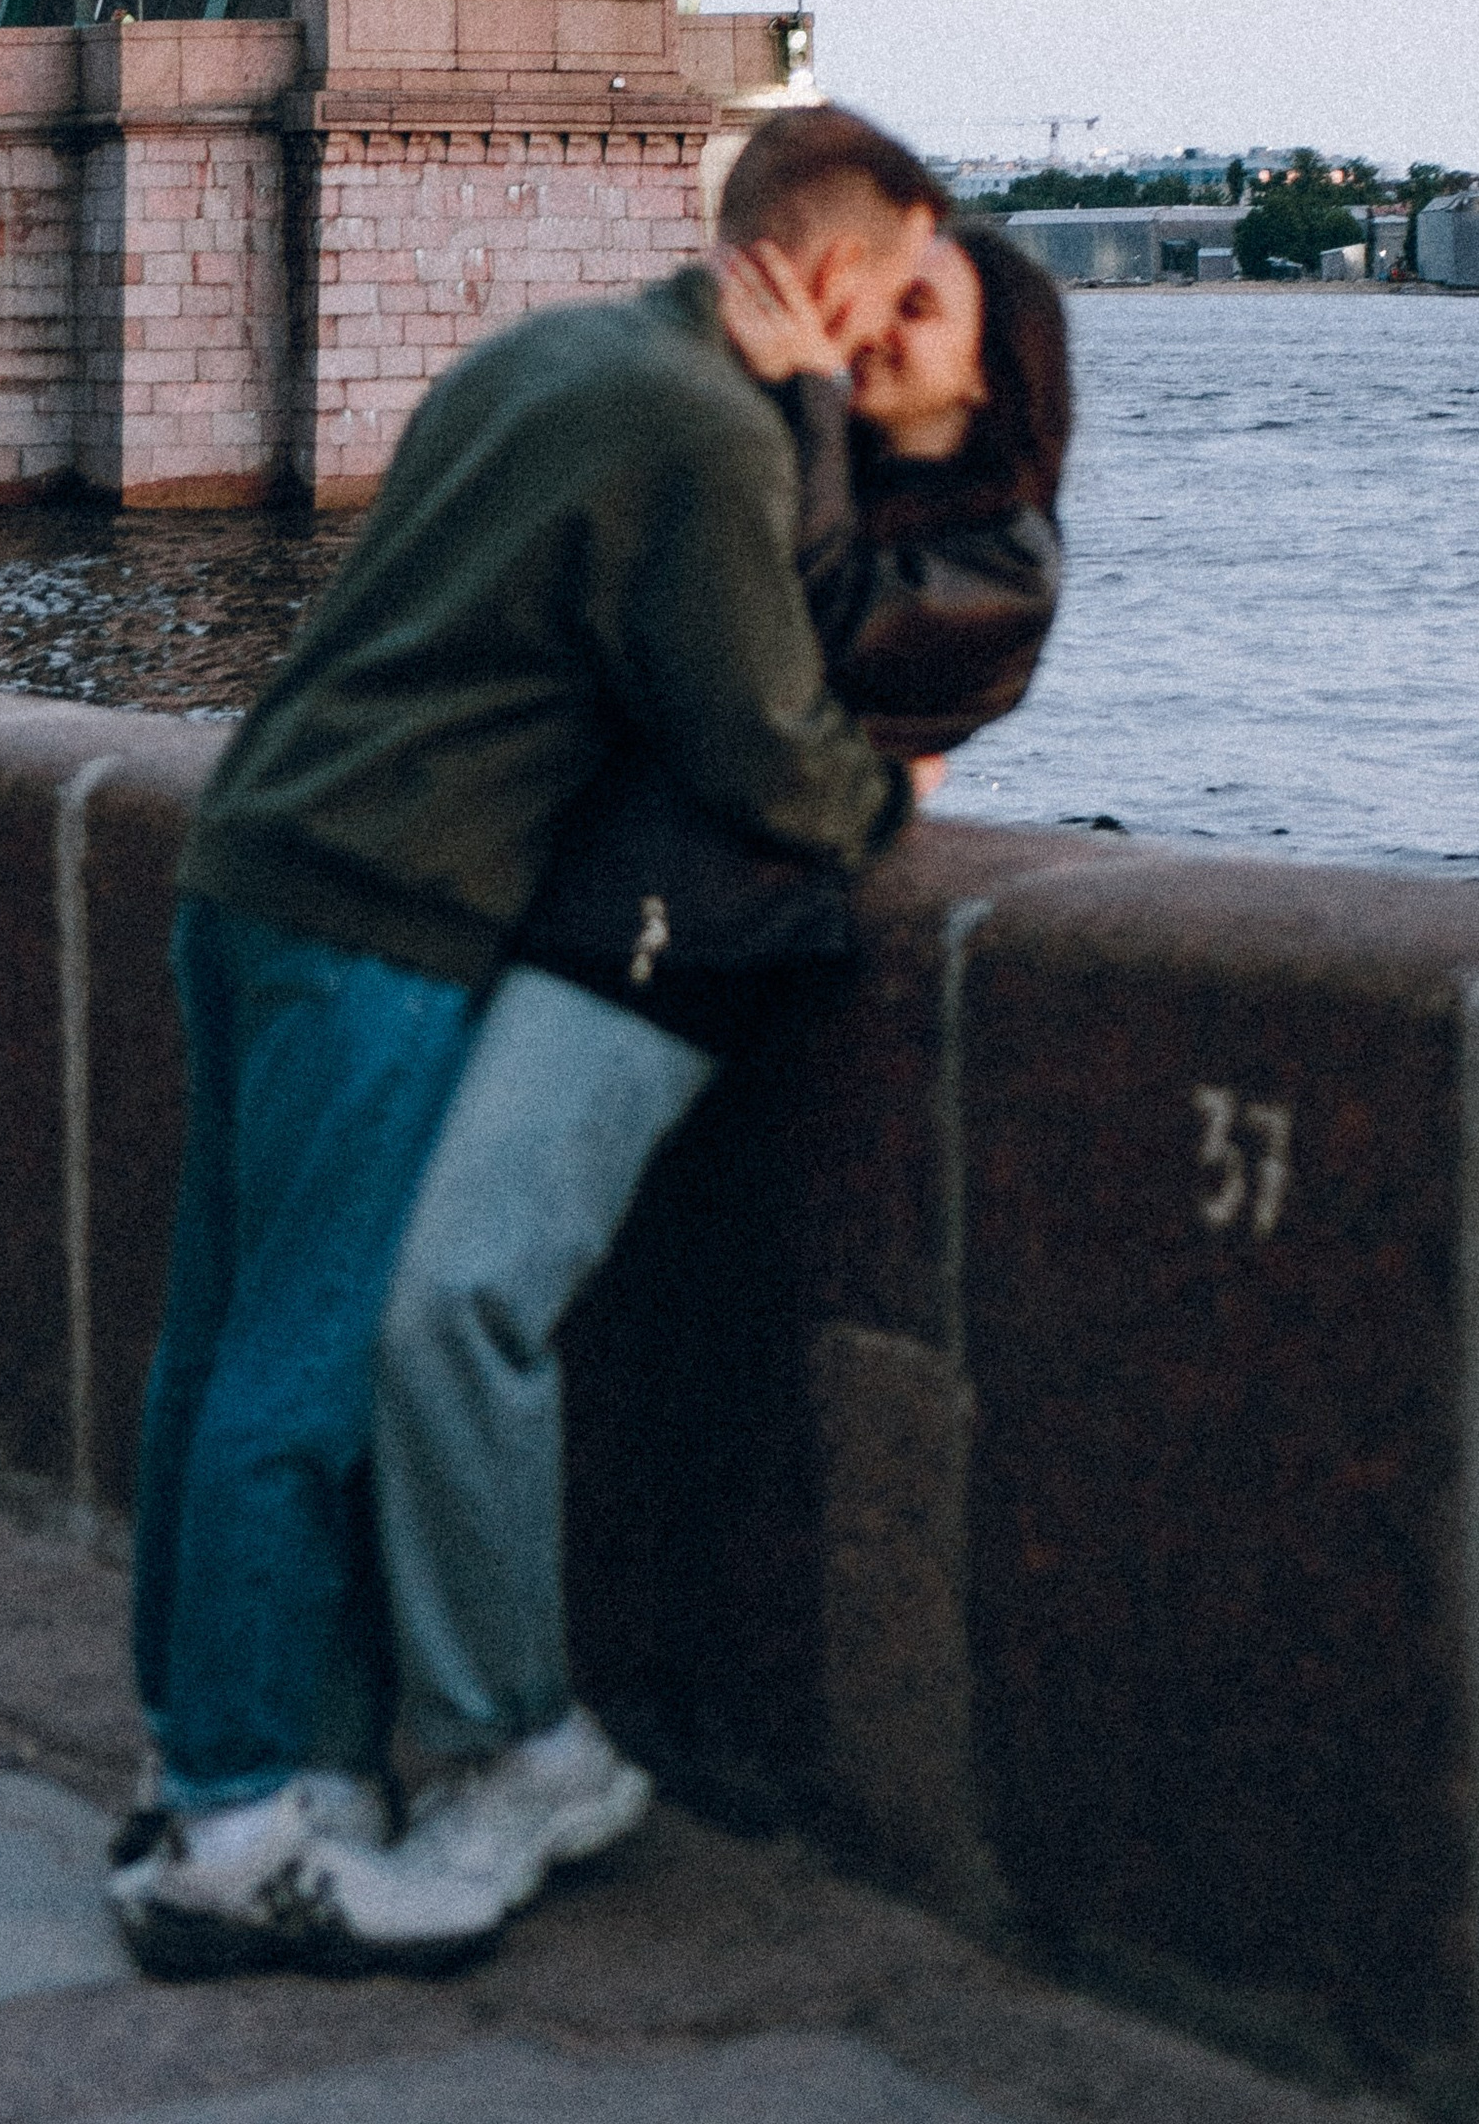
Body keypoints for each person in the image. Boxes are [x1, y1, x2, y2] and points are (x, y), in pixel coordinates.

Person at [108, 105, 946, 1977]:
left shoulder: (546, 353)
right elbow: (755, 739)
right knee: (302, 1377)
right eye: (887, 294)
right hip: (386, 915)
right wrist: (883, 803)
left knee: (208, 1352)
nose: (885, 335)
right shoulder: (707, 428)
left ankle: (194, 1758)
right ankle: (240, 1826)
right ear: (815, 269)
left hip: (248, 864)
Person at [369, 212, 1070, 1913]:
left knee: (449, 1305)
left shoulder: (997, 561)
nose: (882, 330)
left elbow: (802, 659)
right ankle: (428, 1735)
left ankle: (513, 1749)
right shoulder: (786, 457)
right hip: (565, 919)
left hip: (679, 954)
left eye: (924, 313)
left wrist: (806, 402)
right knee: (400, 1310)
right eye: (870, 299)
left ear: (998, 371)